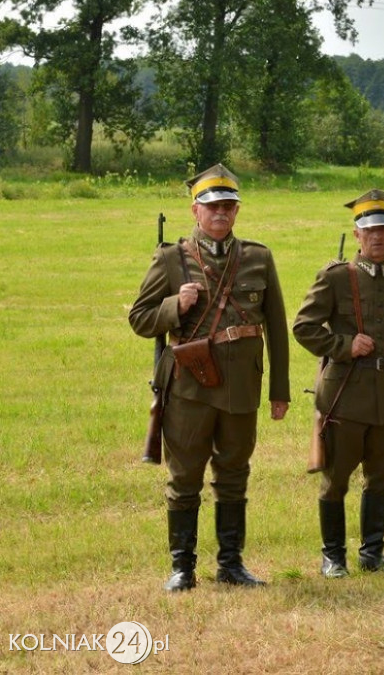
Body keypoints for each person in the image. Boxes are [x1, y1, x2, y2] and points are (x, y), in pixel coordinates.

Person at [129, 163, 290, 592]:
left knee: (234, 473)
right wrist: (174, 307)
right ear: (195, 210)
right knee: (185, 477)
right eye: (212, 206)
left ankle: (231, 564)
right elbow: (140, 318)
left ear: (236, 211)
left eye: (228, 206)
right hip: (189, 388)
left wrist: (280, 391)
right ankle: (182, 567)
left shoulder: (258, 257)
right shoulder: (171, 259)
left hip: (241, 387)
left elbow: (276, 325)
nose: (221, 213)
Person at [292, 189, 384, 577]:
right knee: (336, 480)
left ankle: (373, 554)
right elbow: (304, 327)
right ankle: (333, 557)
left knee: (381, 479)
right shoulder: (335, 278)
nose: (377, 236)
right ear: (357, 235)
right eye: (370, 230)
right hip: (344, 397)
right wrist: (344, 345)